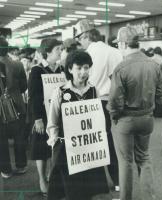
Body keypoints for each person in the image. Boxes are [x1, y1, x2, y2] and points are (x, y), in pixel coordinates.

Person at [107, 25, 162, 200]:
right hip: (147, 118)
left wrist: (113, 115)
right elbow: (161, 94)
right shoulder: (154, 64)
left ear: (124, 44)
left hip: (126, 119)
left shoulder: (121, 68)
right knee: (144, 158)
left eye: (118, 44)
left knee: (125, 162)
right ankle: (149, 197)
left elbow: (115, 101)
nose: (118, 47)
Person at [46, 50, 109, 200]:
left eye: (86, 68)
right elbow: (53, 123)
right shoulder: (60, 92)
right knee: (70, 190)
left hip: (88, 150)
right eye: (78, 68)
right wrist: (55, 142)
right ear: (69, 69)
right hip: (68, 151)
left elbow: (98, 119)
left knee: (88, 190)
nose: (83, 72)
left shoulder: (94, 90)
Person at [75, 19, 122, 191]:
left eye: (79, 38)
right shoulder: (114, 51)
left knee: (92, 143)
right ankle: (117, 181)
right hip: (113, 103)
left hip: (93, 102)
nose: (79, 42)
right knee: (111, 141)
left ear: (86, 35)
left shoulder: (88, 55)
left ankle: (96, 184)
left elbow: (83, 81)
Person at [28, 38, 63, 195]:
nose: (60, 52)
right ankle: (42, 179)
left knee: (54, 147)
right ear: (47, 52)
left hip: (57, 114)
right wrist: (37, 119)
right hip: (42, 115)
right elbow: (34, 96)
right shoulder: (37, 70)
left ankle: (51, 175)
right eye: (58, 50)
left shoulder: (61, 69)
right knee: (41, 148)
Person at [0, 37, 28, 179]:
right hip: (17, 105)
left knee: (1, 140)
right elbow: (24, 86)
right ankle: (21, 165)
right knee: (19, 137)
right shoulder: (17, 65)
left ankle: (6, 170)